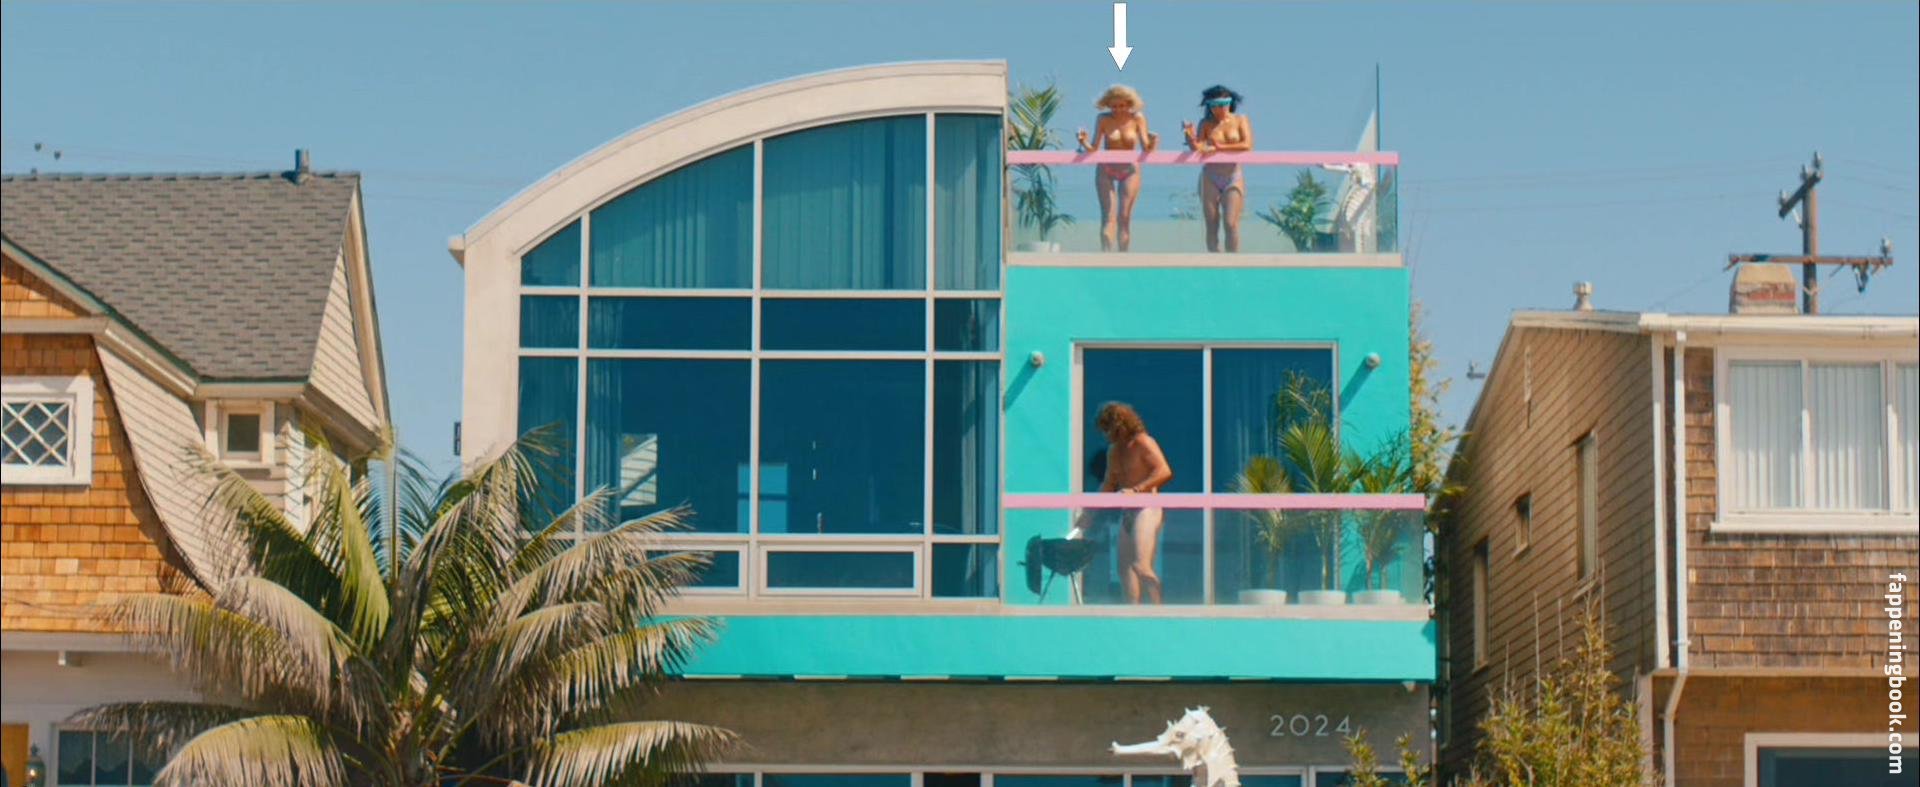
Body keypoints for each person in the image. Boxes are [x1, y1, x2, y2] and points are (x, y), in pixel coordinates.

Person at [1096, 402, 1173, 605]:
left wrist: (1137, 490)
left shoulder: (1143, 442)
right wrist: (1090, 511)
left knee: (1141, 565)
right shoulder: (1114, 451)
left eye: (1108, 428)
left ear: (1119, 425)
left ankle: (1158, 609)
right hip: (1128, 512)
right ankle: (1133, 610)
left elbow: (1164, 470)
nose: (1106, 434)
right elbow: (1109, 483)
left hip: (1147, 507)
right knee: (1124, 568)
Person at [1076, 85, 1158, 252]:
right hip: (1106, 168)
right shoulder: (1103, 119)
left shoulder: (1137, 118)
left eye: (1122, 106)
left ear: (1129, 104)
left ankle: (1123, 256)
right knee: (1108, 216)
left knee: (1124, 217)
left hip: (1129, 170)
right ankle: (1106, 254)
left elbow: (1146, 148)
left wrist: (1154, 141)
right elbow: (1094, 148)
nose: (1118, 110)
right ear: (1108, 105)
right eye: (1114, 106)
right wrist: (1083, 142)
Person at [1181, 85, 1254, 252]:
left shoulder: (1240, 120)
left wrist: (1220, 147)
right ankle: (1214, 260)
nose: (1219, 109)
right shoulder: (1206, 123)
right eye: (1214, 105)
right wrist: (1190, 137)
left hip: (1233, 176)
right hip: (1210, 177)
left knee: (1231, 223)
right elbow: (1198, 148)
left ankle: (1232, 261)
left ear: (1230, 103)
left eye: (1223, 104)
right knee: (1212, 223)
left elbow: (1247, 145)